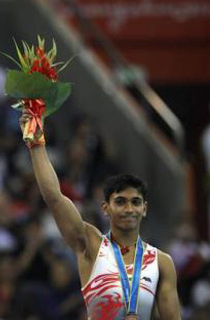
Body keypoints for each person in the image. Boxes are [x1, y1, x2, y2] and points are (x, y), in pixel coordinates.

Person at [19, 113, 181, 320]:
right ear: (106, 209)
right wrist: (36, 145)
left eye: (136, 202)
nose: (129, 209)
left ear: (145, 209)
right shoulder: (91, 245)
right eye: (120, 202)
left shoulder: (161, 263)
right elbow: (54, 197)